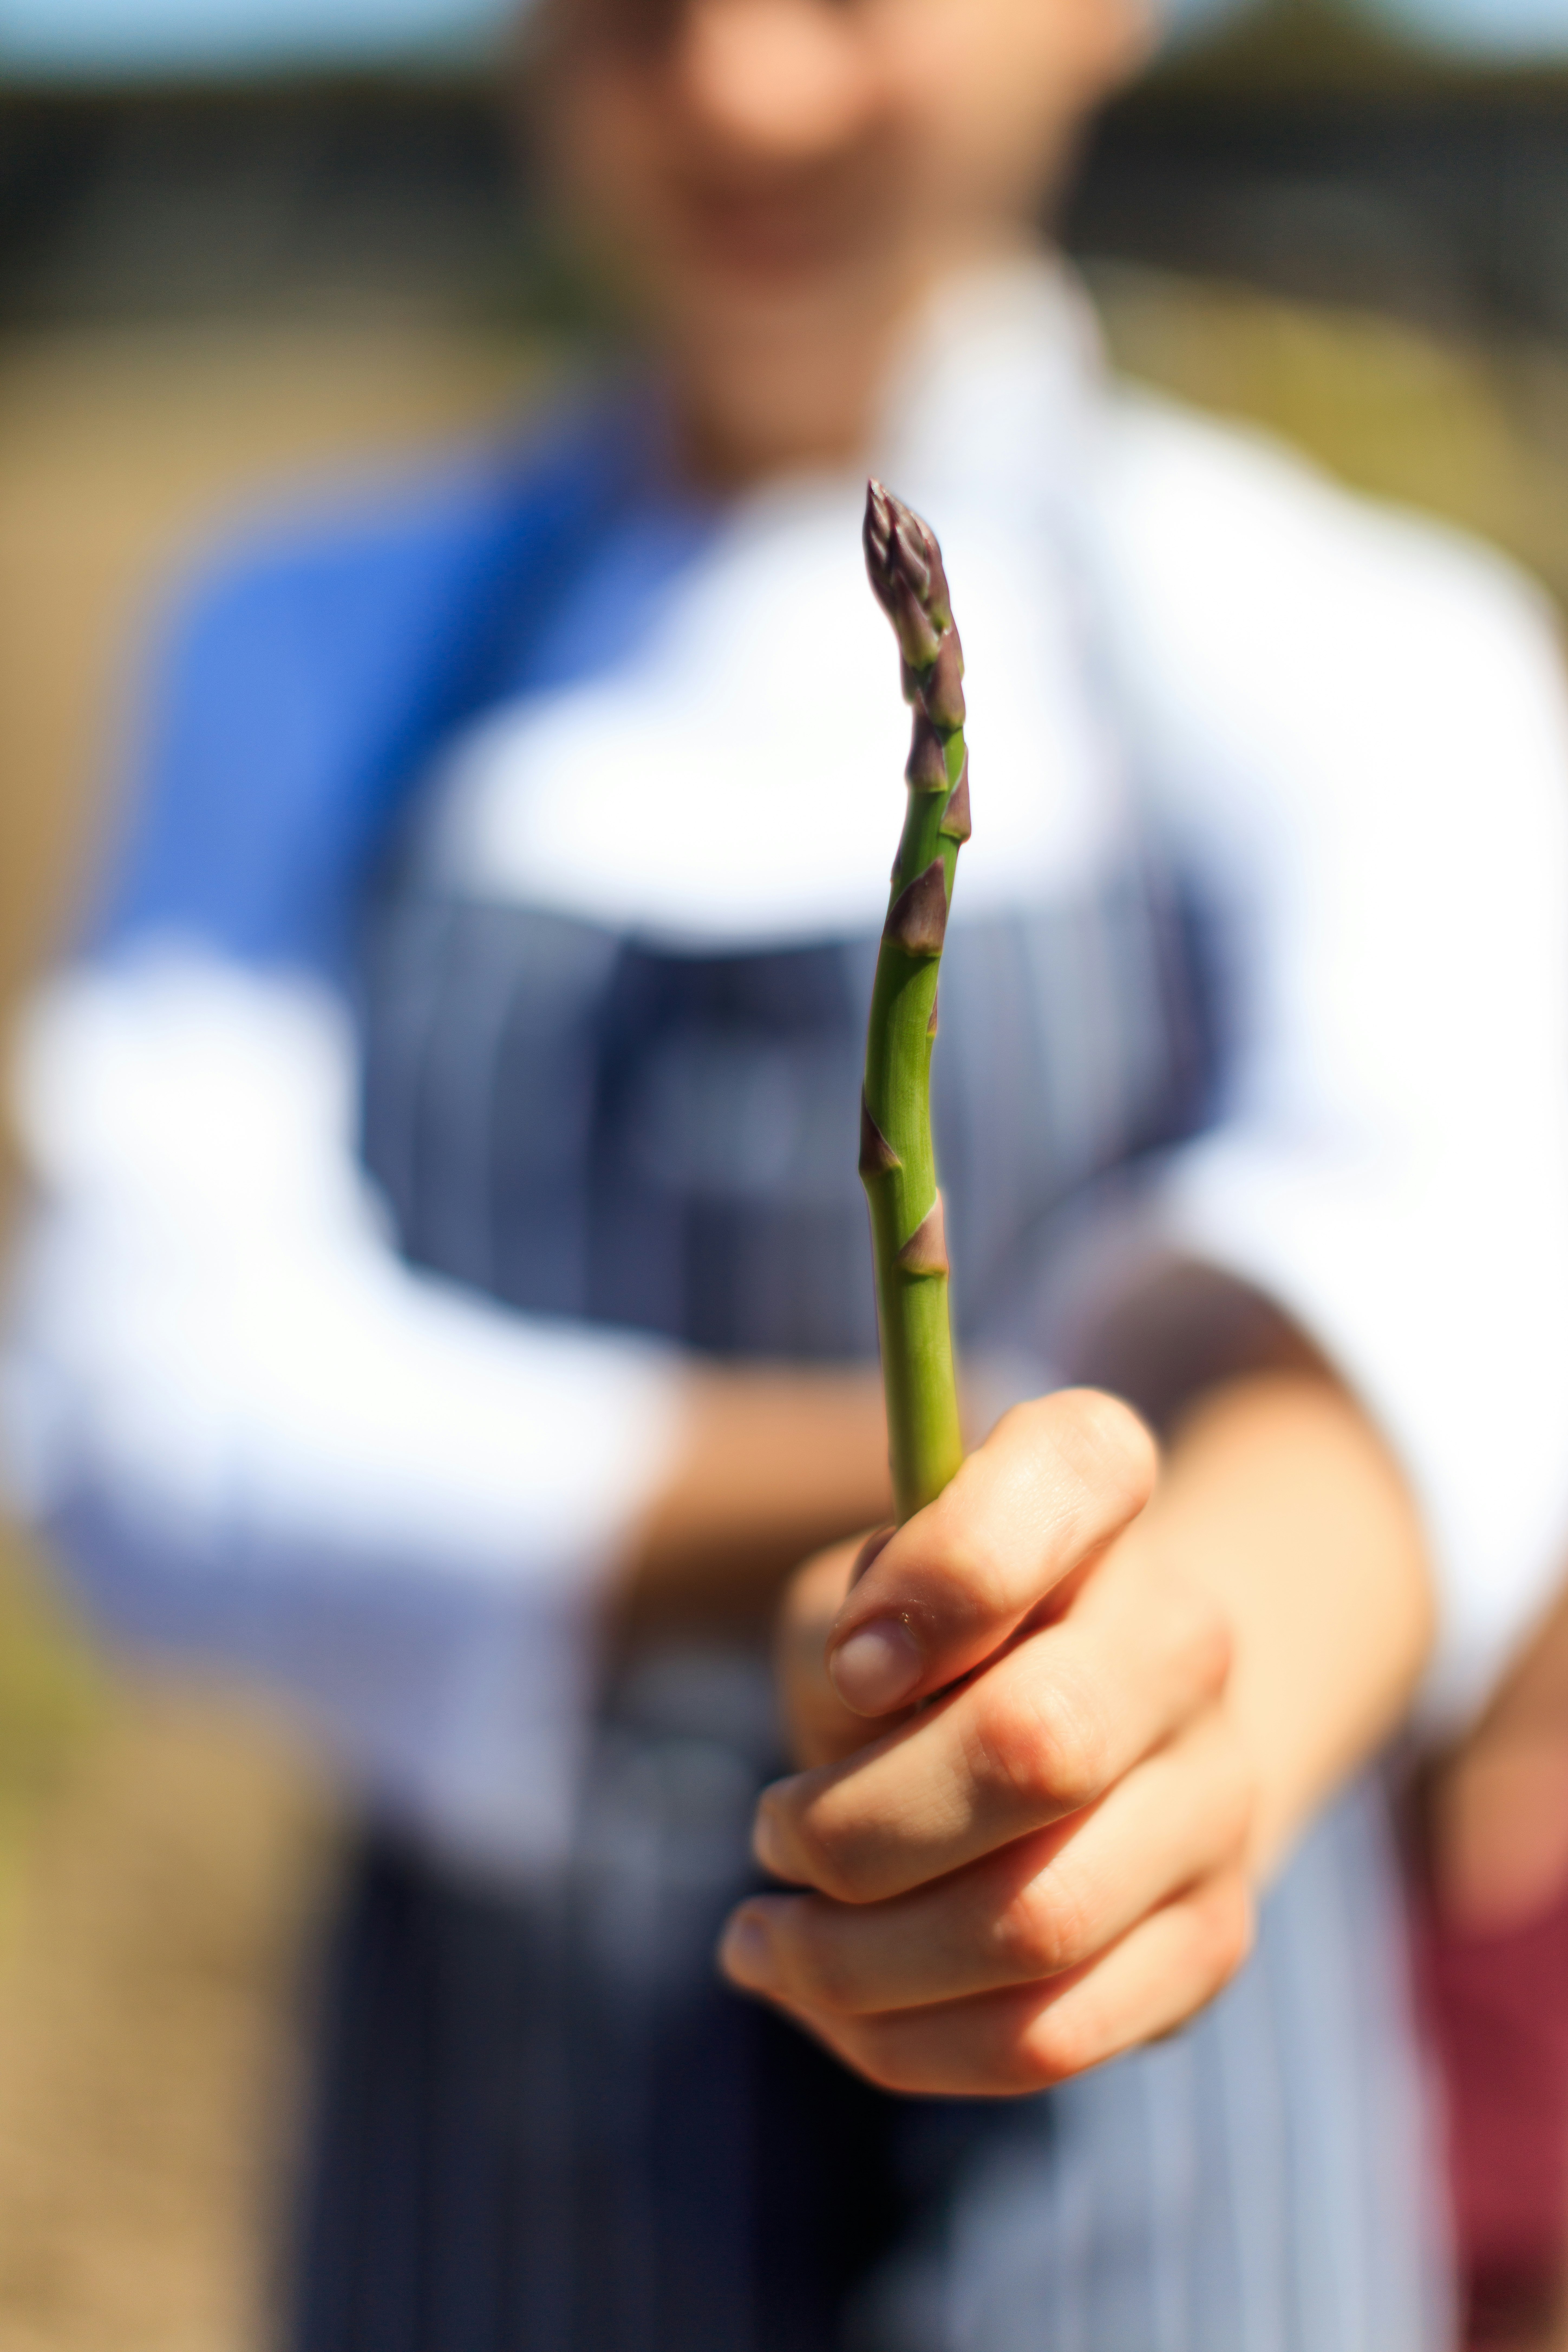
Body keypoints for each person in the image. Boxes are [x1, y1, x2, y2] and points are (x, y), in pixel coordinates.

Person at [6, 0, 1568, 2343]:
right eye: (636, 6)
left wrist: (1190, 1692)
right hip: (496, 2128)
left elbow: (1453, 1296)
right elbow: (137, 1404)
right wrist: (903, 1549)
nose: (739, 88)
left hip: (1174, 2137)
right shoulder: (298, 641)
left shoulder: (1355, 644)